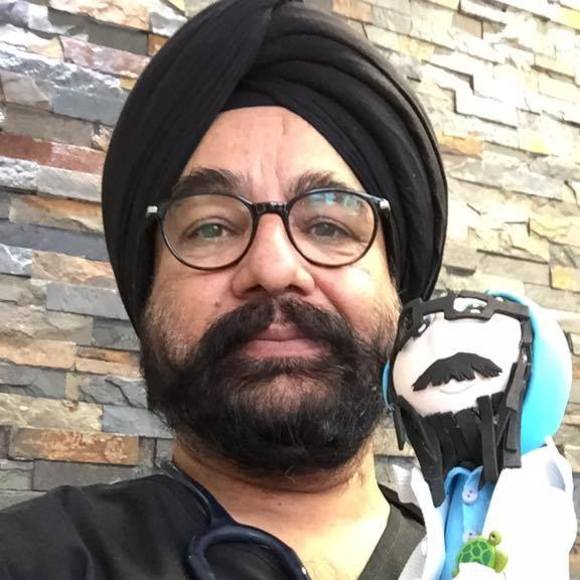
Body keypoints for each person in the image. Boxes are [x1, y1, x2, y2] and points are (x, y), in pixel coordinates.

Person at [0, 1, 447, 578]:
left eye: (328, 225)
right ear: (147, 287)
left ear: (399, 283)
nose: (274, 267)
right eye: (211, 227)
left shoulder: (499, 556)